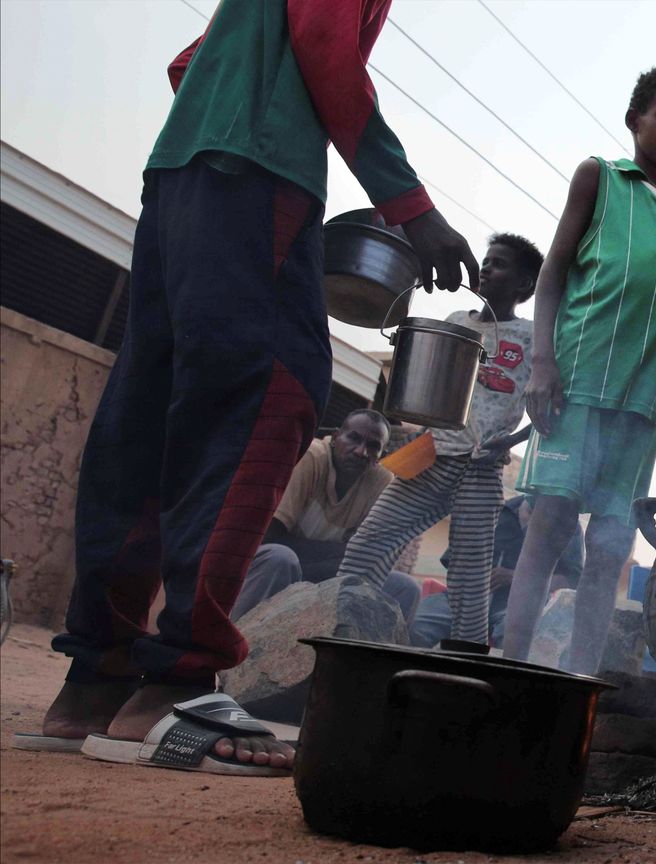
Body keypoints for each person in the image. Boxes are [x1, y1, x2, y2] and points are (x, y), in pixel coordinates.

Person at [26, 0, 479, 775]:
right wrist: (411, 208)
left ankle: (94, 682)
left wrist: (241, 109)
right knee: (269, 400)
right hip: (259, 179)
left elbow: (192, 62)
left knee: (148, 414)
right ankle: (178, 683)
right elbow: (324, 45)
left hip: (181, 178)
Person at [501, 66, 656, 676]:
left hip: (642, 405)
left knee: (612, 544)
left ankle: (580, 680)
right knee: (550, 525)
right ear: (634, 120)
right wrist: (542, 363)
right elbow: (553, 273)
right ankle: (510, 668)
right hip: (578, 383)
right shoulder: (600, 178)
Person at [336, 234, 543, 646]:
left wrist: (511, 441)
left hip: (482, 467)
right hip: (431, 454)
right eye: (487, 261)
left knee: (470, 575)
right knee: (370, 540)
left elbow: (548, 404)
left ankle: (466, 653)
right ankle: (345, 625)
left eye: (499, 264)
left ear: (524, 284)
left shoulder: (532, 336)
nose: (487, 269)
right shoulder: (457, 321)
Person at [227, 409, 421, 623]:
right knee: (281, 558)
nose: (361, 451)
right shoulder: (311, 456)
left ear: (382, 455)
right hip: (272, 566)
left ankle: (355, 645)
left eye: (373, 446)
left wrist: (343, 558)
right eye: (354, 438)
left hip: (328, 575)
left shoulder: (381, 480)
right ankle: (235, 636)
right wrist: (342, 553)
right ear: (336, 437)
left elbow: (371, 559)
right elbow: (269, 538)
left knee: (404, 587)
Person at [410, 495, 583, 648]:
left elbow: (571, 581)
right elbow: (453, 560)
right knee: (417, 626)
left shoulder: (568, 524)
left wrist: (516, 577)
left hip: (520, 605)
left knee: (516, 638)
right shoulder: (494, 509)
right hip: (463, 596)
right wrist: (474, 575)